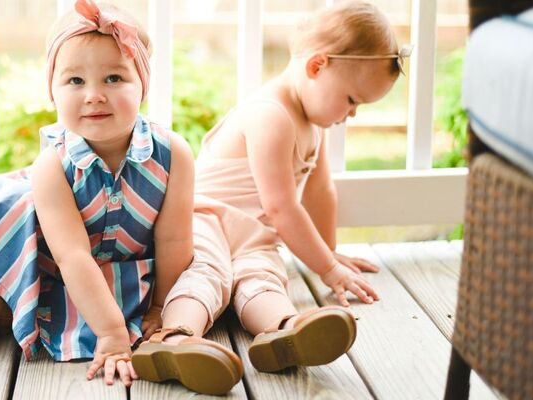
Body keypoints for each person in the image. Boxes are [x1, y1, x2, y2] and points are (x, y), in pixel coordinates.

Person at [0, 0, 197, 388]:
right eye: (75, 81)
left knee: (118, 308)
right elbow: (71, 256)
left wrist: (160, 306)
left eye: (114, 79)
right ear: (52, 92)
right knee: (11, 207)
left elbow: (174, 240)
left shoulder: (172, 155)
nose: (94, 95)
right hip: (51, 258)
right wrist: (111, 336)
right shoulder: (53, 164)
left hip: (116, 273)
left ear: (143, 86)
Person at [132, 0, 410, 394]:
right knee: (207, 274)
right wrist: (328, 270)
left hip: (252, 234)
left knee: (262, 278)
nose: (352, 115)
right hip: (205, 219)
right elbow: (282, 206)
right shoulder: (271, 115)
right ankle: (173, 338)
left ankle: (284, 331)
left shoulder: (315, 125)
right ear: (317, 66)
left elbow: (320, 192)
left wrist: (329, 252)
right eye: (352, 100)